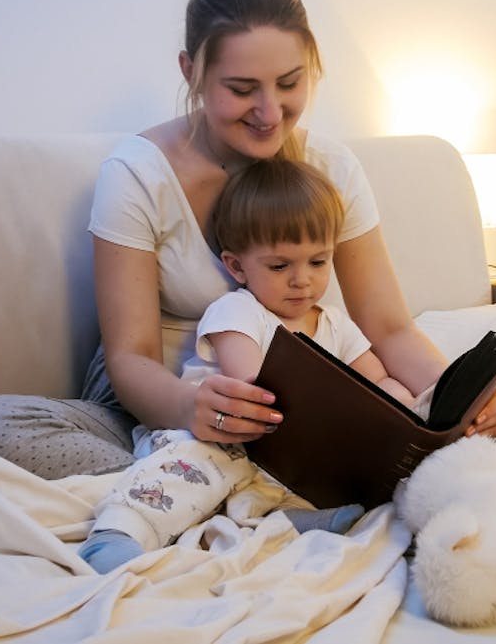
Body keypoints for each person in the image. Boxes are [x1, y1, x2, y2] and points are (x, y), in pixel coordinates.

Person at [0, 0, 496, 480]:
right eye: (242, 90)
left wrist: (457, 399)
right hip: (158, 405)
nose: (271, 114)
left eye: (290, 84)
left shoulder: (332, 169)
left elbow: (390, 328)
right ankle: (213, 486)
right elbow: (130, 357)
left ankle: (205, 492)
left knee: (482, 438)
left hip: (293, 420)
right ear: (191, 72)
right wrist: (189, 409)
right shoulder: (138, 174)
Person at [79, 157, 416, 574]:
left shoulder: (334, 324)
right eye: (280, 266)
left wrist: (402, 408)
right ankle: (121, 530)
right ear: (237, 265)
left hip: (293, 455)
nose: (302, 280)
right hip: (221, 436)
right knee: (192, 470)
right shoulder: (238, 311)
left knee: (341, 478)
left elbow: (378, 379)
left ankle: (289, 523)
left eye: (318, 261)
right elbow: (255, 384)